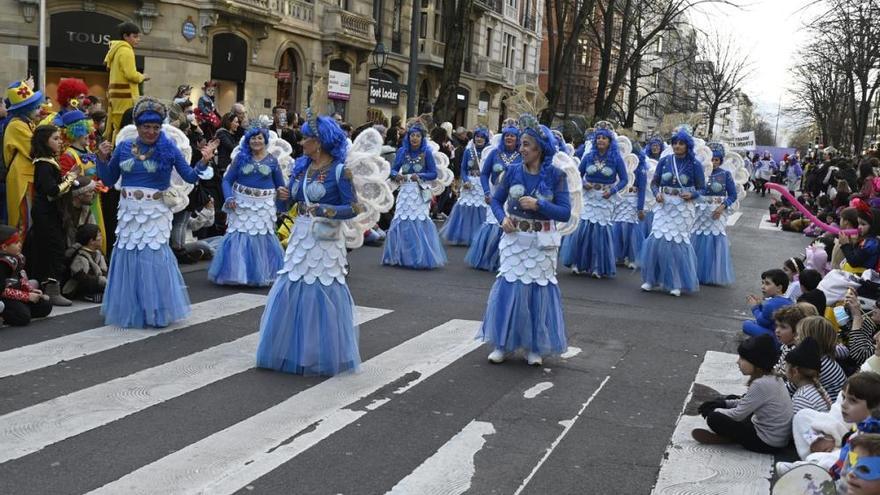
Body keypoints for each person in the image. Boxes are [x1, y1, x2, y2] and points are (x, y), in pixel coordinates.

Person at [256, 112, 390, 375]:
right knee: (293, 285)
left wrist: (326, 210)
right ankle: (289, 351)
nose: (302, 142)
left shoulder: (340, 171)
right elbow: (288, 205)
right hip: (301, 238)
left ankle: (318, 353)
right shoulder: (302, 167)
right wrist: (282, 197)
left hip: (326, 241)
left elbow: (353, 207)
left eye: (306, 138)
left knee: (321, 289)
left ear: (319, 142)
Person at [96, 97, 215, 328]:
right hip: (130, 212)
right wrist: (101, 159)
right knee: (129, 256)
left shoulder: (168, 148)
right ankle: (132, 308)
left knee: (152, 258)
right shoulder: (123, 147)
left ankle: (155, 309)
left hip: (155, 212)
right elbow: (109, 179)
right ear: (137, 127)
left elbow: (189, 177)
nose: (151, 132)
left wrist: (203, 162)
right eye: (146, 127)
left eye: (156, 127)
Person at [478, 114, 575, 366]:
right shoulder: (511, 172)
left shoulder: (556, 175)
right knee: (509, 289)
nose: (521, 149)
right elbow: (498, 201)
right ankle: (502, 344)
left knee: (537, 293)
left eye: (526, 145)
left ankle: (534, 347)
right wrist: (502, 219)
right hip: (515, 239)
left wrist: (539, 204)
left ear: (540, 149)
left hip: (541, 241)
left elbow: (565, 212)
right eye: (520, 144)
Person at [208, 126, 285, 286]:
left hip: (264, 206)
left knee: (262, 238)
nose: (256, 141)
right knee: (238, 236)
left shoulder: (272, 161)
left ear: (265, 140)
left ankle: (261, 274)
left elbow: (280, 185)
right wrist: (229, 196)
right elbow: (227, 180)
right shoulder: (240, 158)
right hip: (241, 203)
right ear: (247, 141)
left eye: (259, 138)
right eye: (253, 138)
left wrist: (282, 199)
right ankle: (236, 274)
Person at [692, 334, 791, 453]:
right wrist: (723, 403)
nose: (737, 361)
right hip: (775, 436)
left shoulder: (761, 384)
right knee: (732, 399)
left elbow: (738, 414)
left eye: (743, 358)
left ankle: (730, 438)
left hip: (767, 442)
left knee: (715, 418)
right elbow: (746, 402)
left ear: (756, 362)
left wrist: (713, 410)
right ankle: (732, 435)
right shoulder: (772, 376)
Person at [640, 125, 705, 296]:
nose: (677, 146)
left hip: (683, 209)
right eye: (675, 143)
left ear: (687, 146)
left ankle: (676, 281)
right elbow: (654, 182)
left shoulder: (695, 164)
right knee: (656, 240)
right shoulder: (665, 161)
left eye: (681, 143)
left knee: (676, 244)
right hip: (664, 205)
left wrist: (692, 195)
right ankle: (651, 279)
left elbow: (702, 188)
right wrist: (656, 194)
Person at [560, 121, 628, 279]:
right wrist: (584, 183)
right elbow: (577, 174)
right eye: (598, 138)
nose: (601, 141)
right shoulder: (589, 156)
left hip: (605, 199)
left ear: (610, 141)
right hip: (589, 197)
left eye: (604, 138)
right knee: (584, 229)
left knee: (600, 232)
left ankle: (597, 266)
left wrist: (612, 191)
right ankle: (577, 263)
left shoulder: (616, 158)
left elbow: (624, 180)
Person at [24, 124, 78, 306]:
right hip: (45, 213)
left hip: (51, 212)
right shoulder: (43, 164)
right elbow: (52, 191)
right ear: (44, 142)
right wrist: (70, 178)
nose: (59, 141)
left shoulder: (48, 162)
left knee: (53, 247)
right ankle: (52, 289)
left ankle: (48, 286)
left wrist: (68, 179)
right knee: (53, 249)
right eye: (55, 138)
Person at [382, 119, 447, 269]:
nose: (414, 138)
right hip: (405, 191)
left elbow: (433, 174)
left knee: (418, 221)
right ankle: (399, 256)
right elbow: (392, 169)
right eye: (412, 135)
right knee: (401, 219)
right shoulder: (401, 152)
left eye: (417, 136)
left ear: (422, 138)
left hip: (419, 192)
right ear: (408, 137)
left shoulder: (427, 153)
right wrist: (395, 175)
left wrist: (421, 175)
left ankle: (418, 256)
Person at [465, 121, 523, 271]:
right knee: (493, 224)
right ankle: (488, 258)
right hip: (496, 194)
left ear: (517, 139)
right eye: (507, 135)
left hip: (513, 196)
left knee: (509, 225)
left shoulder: (522, 155)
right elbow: (484, 174)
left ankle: (507, 260)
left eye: (512, 136)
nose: (509, 138)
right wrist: (486, 192)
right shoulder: (495, 153)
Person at [58, 110, 107, 253]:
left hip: (94, 200)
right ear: (77, 131)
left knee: (98, 233)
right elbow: (67, 182)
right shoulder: (68, 155)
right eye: (86, 131)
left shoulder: (88, 150)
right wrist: (89, 186)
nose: (89, 134)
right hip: (81, 205)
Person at [692, 142, 737, 286]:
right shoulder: (700, 174)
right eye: (712, 159)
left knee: (714, 240)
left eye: (716, 160)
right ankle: (695, 272)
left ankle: (712, 273)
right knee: (699, 238)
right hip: (701, 212)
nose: (714, 163)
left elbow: (733, 195)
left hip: (717, 213)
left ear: (720, 160)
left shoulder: (725, 174)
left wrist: (722, 207)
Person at [4, 80, 44, 237]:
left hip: (28, 177)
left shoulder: (28, 123)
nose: (39, 109)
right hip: (22, 179)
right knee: (23, 220)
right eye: (35, 106)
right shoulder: (16, 126)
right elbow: (34, 149)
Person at [439, 125, 489, 246]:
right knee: (466, 209)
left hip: (483, 183)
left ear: (486, 139)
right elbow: (463, 169)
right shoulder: (468, 151)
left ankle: (479, 236)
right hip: (470, 183)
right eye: (477, 136)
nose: (479, 139)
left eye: (482, 137)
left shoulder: (489, 152)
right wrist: (465, 180)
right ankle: (464, 235)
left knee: (481, 210)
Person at [104, 21, 148, 142]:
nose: (137, 39)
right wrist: (142, 77)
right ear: (125, 36)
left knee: (118, 129)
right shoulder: (126, 51)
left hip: (116, 97)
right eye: (135, 36)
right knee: (124, 131)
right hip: (125, 97)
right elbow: (131, 75)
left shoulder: (117, 50)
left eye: (138, 36)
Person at [0, 225, 50, 325]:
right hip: (4, 297)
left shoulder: (17, 258)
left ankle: (21, 308)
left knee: (45, 306)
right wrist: (26, 296)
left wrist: (30, 290)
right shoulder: (2, 263)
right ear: (4, 247)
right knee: (22, 317)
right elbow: (1, 290)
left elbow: (20, 278)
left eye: (20, 241)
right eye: (16, 242)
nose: (20, 244)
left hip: (16, 294)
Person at [611, 142, 646, 269]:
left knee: (630, 228)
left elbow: (642, 189)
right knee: (618, 226)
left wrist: (640, 208)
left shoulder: (640, 168)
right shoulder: (619, 164)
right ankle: (618, 256)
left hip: (632, 200)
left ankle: (632, 257)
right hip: (620, 199)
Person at [796, 316, 848, 400]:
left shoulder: (818, 365)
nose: (796, 338)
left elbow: (792, 386)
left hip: (831, 408)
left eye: (800, 335)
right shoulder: (823, 356)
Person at [786, 336, 834, 415]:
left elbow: (799, 425)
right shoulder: (818, 387)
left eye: (786, 365)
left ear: (794, 371)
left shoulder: (801, 398)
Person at [742, 268, 792, 341]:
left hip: (778, 340)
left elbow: (761, 322)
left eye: (767, 283)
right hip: (787, 337)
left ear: (779, 288)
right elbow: (768, 317)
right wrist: (760, 306)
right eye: (763, 283)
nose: (762, 287)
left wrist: (755, 307)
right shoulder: (788, 299)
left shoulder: (771, 304)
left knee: (747, 324)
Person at [62, 223, 107, 302]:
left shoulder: (98, 254)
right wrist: (100, 280)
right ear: (91, 241)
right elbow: (82, 279)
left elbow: (104, 271)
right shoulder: (80, 257)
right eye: (99, 235)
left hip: (96, 285)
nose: (101, 238)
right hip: (81, 289)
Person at [773, 303, 819, 374]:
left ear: (797, 331)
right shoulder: (786, 344)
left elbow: (789, 378)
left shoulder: (796, 353)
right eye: (777, 326)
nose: (777, 330)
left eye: (783, 327)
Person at [839, 200, 880, 274]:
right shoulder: (867, 239)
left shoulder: (872, 243)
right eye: (859, 223)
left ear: (874, 226)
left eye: (863, 224)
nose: (859, 227)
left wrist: (845, 245)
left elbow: (854, 261)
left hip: (861, 277)